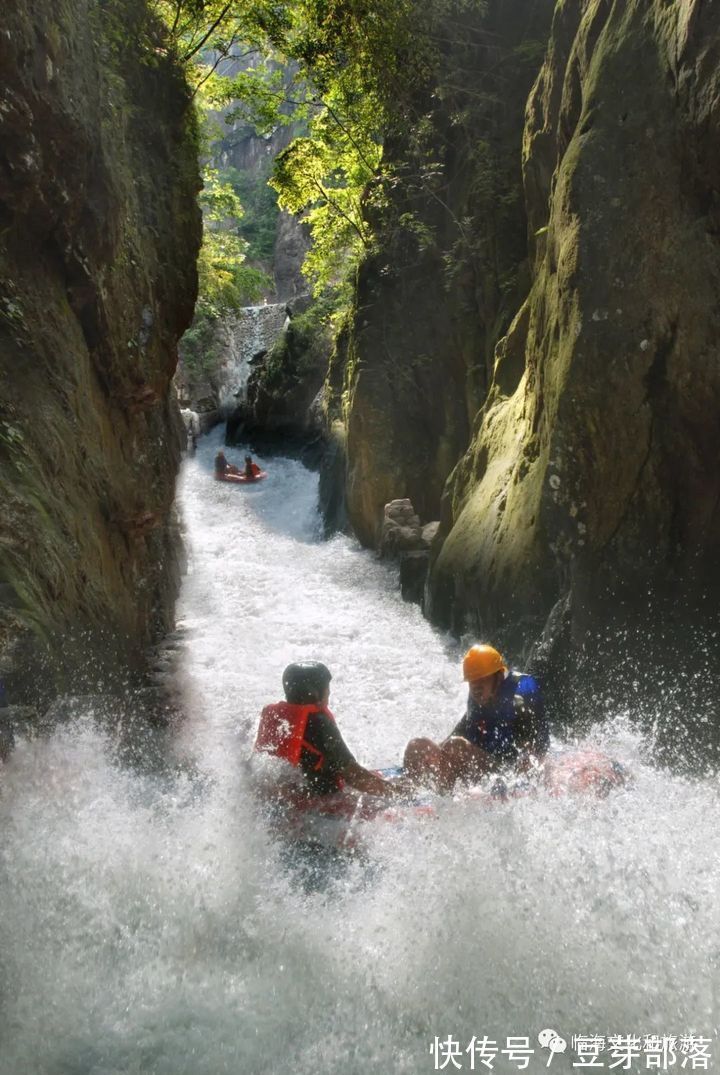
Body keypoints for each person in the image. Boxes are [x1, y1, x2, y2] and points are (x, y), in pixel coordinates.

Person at [403, 644, 549, 791]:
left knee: (456, 747)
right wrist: (429, 756)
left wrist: (521, 786)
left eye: (482, 679)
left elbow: (534, 755)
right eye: (473, 681)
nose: (476, 687)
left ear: (498, 677)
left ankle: (442, 798)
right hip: (484, 761)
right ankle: (410, 791)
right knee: (417, 746)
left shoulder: (520, 699)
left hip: (507, 772)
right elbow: (461, 732)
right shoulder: (480, 697)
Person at [254, 662, 411, 798]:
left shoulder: (280, 717)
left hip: (295, 797)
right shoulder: (319, 724)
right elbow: (355, 777)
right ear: (314, 692)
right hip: (325, 801)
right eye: (326, 687)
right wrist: (398, 793)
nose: (329, 692)